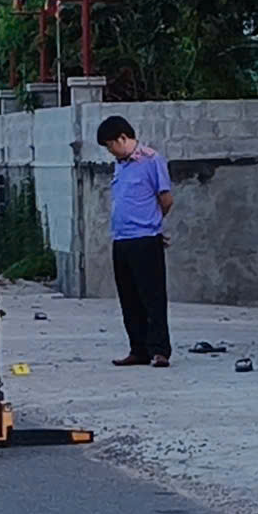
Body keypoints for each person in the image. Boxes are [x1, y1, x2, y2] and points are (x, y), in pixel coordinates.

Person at [98, 115, 174, 368]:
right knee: (128, 297)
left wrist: (152, 222)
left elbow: (165, 199)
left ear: (123, 138)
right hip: (122, 238)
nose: (110, 151)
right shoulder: (120, 165)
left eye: (111, 144)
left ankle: (160, 349)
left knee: (151, 296)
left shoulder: (151, 160)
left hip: (145, 238)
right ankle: (138, 348)